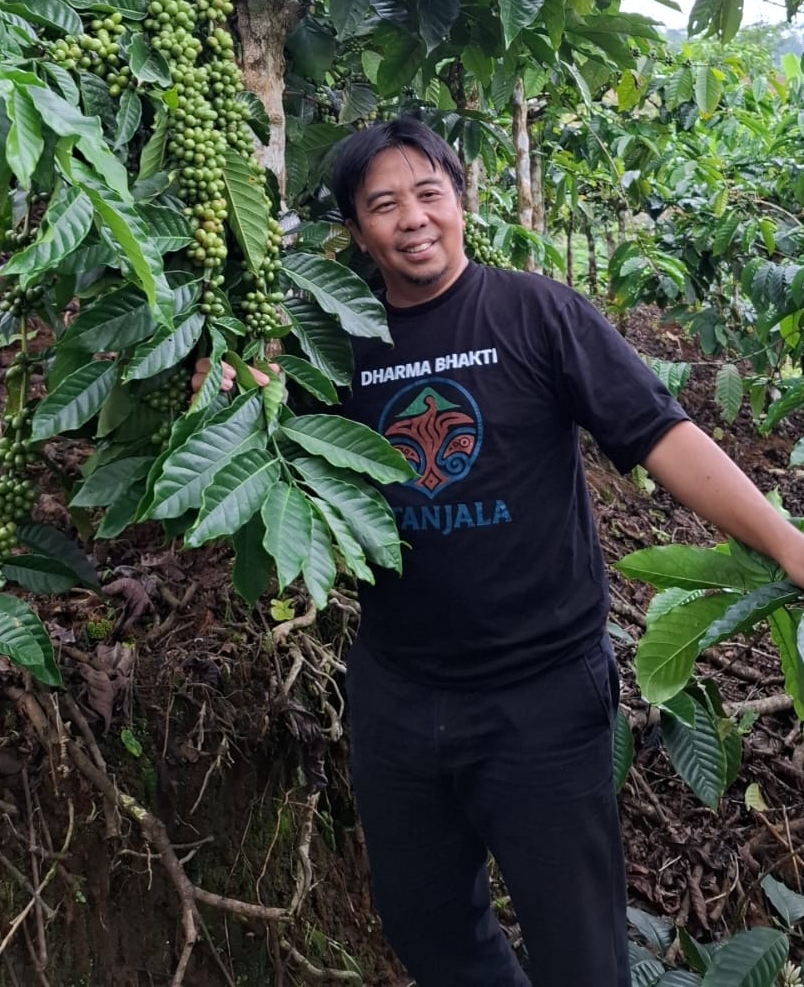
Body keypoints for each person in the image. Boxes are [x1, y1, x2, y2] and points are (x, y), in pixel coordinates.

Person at [196, 116, 804, 987]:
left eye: (428, 194)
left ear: (462, 201)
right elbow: (260, 435)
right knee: (424, 922)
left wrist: (785, 542)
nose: (411, 218)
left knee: (578, 949)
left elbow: (661, 436)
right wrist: (227, 381)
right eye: (383, 204)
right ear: (357, 231)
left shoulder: (536, 312)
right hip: (397, 691)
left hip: (541, 695)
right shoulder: (332, 339)